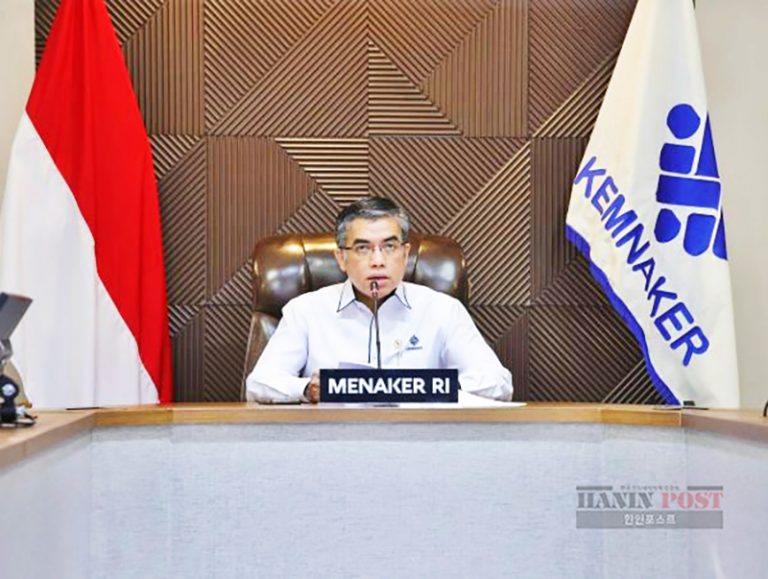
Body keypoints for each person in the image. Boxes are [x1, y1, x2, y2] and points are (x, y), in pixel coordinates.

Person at [246, 197, 513, 403]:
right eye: (363, 248)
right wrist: (308, 388)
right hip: (332, 443)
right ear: (341, 258)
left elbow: (498, 383)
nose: (377, 260)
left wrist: (428, 386)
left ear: (405, 254)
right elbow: (260, 384)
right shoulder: (305, 310)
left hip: (420, 442)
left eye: (389, 246)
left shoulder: (443, 310)